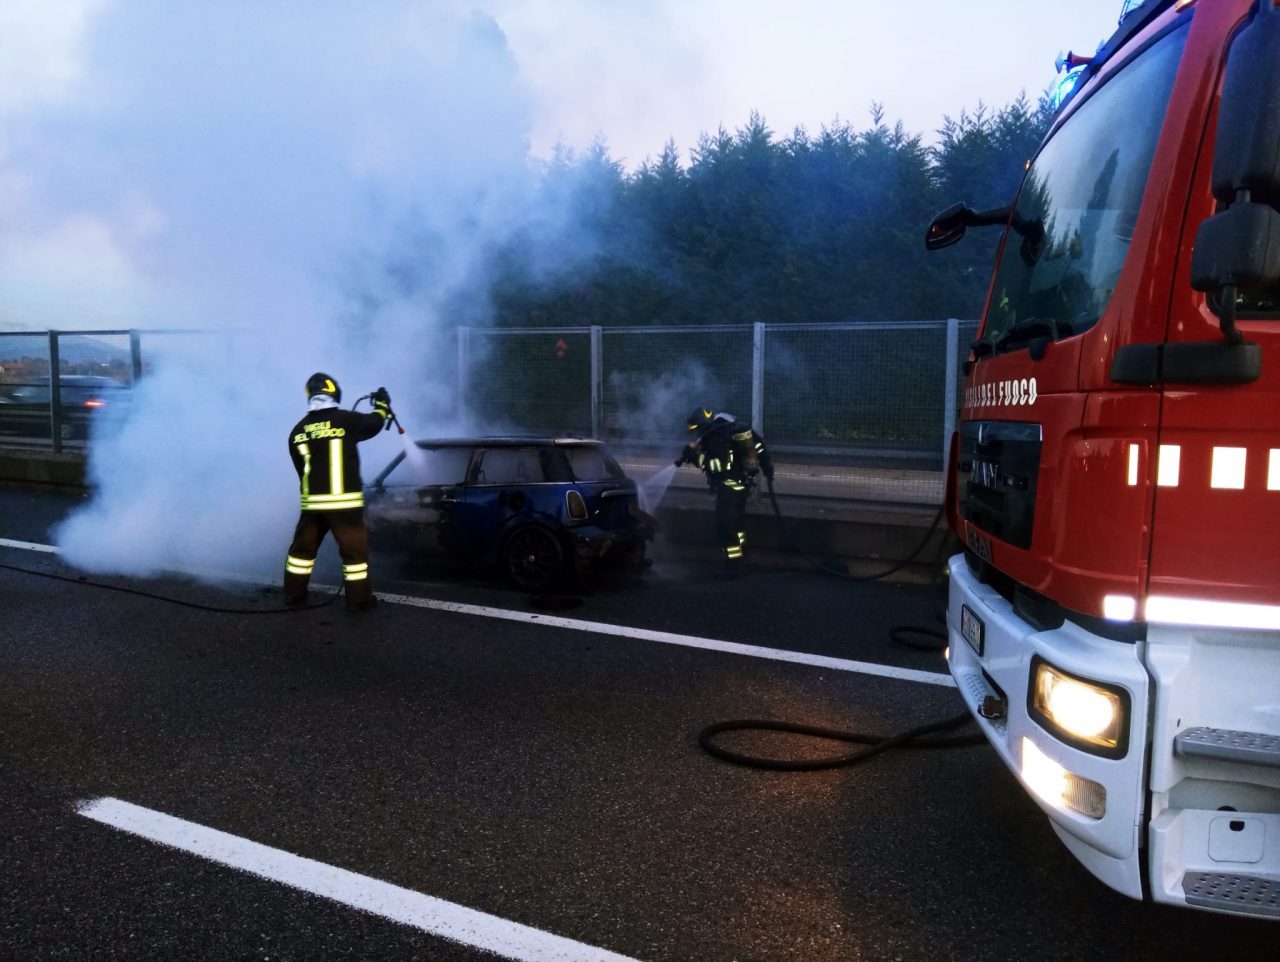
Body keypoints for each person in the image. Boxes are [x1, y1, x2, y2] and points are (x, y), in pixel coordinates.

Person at [283, 373, 392, 610]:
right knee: (354, 555)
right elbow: (374, 424)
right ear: (334, 392)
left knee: (301, 551)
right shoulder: (346, 420)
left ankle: (293, 594)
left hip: (313, 505)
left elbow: (301, 469)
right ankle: (359, 601)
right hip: (344, 505)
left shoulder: (298, 431)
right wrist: (383, 406)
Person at [674, 406, 774, 569]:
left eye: (697, 429)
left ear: (703, 425)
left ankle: (733, 566)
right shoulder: (734, 428)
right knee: (737, 524)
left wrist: (695, 457)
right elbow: (759, 446)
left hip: (728, 489)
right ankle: (741, 556)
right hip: (742, 485)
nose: (697, 435)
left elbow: (718, 466)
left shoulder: (716, 437)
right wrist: (767, 467)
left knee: (725, 526)